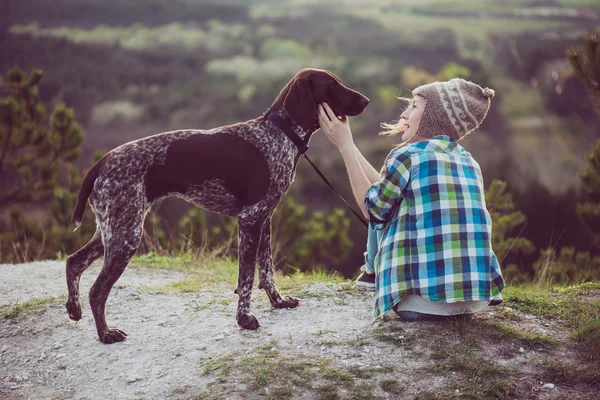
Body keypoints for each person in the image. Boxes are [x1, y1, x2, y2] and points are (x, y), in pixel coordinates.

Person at [317, 78, 505, 321]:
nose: (404, 114)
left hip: (421, 304)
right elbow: (387, 190)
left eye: (414, 106)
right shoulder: (468, 161)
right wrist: (350, 144)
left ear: (433, 119)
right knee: (391, 200)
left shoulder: (406, 155)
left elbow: (373, 209)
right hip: (476, 299)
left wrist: (344, 146)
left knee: (382, 208)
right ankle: (371, 274)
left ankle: (371, 273)